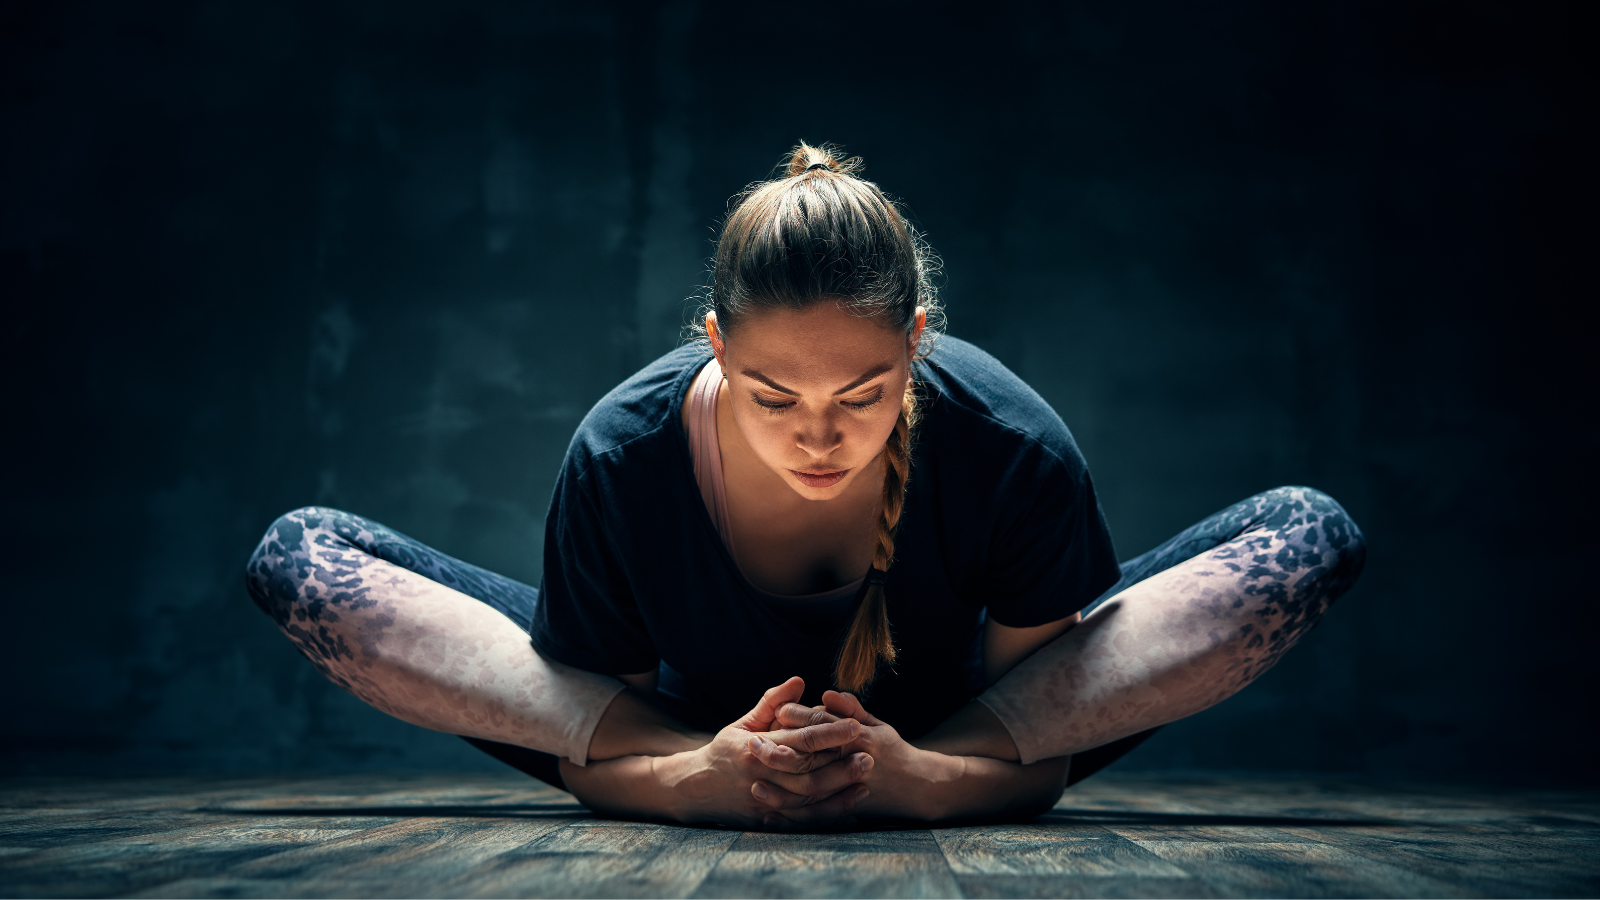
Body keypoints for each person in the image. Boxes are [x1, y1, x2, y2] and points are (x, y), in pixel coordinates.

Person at [246, 143, 1366, 830]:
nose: (819, 436)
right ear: (717, 349)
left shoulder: (1010, 442)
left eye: (866, 393)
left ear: (918, 345)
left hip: (950, 736)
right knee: (301, 554)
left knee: (1304, 533)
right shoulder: (621, 454)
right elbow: (596, 731)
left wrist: (915, 780)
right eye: (773, 396)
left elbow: (1031, 737)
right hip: (689, 734)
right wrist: (704, 780)